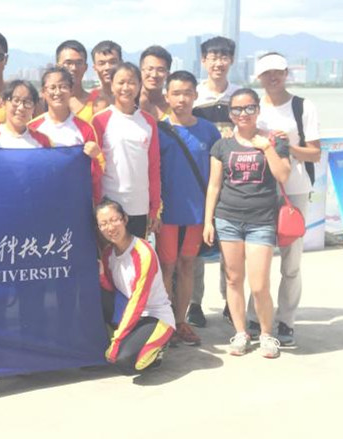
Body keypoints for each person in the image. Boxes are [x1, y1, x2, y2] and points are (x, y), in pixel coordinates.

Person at [203, 88, 291, 358]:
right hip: (228, 218)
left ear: (258, 110)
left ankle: (266, 334)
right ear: (231, 114)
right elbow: (214, 186)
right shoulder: (222, 146)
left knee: (259, 284)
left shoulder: (274, 141)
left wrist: (267, 148)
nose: (244, 114)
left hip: (261, 221)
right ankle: (240, 332)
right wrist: (208, 221)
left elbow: (283, 175)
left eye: (249, 108)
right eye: (237, 109)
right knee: (233, 279)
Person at [248, 52, 321, 346]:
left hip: (295, 191)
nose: (273, 77)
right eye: (267, 73)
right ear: (259, 77)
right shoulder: (253, 107)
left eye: (278, 71)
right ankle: (255, 317)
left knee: (291, 262)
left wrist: (285, 146)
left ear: (286, 73)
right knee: (259, 257)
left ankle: (286, 320)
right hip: (260, 189)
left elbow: (314, 153)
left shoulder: (303, 106)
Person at [156, 71, 221, 346]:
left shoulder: (208, 130)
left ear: (195, 95)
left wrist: (211, 217)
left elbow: (218, 175)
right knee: (166, 267)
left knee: (187, 266)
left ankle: (180, 321)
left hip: (197, 214)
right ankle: (165, 325)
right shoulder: (158, 130)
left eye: (187, 93)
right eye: (176, 93)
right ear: (167, 96)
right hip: (167, 215)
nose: (181, 99)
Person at [188, 36, 241, 329]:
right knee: (195, 246)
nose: (218, 62)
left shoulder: (240, 97)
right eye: (212, 57)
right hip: (200, 180)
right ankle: (194, 303)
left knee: (230, 246)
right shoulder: (194, 97)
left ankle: (230, 302)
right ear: (203, 60)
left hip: (234, 183)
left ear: (231, 60)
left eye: (223, 57)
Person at [97, 199, 174, 375]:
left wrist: (116, 342)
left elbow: (138, 301)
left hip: (154, 315)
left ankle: (160, 345)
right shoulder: (108, 253)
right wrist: (101, 275)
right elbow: (113, 290)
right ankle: (129, 339)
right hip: (130, 312)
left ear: (125, 219)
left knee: (126, 363)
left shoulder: (143, 252)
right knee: (96, 295)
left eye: (114, 220)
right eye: (103, 224)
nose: (110, 227)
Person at [91, 63, 161, 239]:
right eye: (121, 82)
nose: (126, 88)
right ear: (112, 85)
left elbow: (153, 167)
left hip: (139, 206)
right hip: (110, 203)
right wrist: (97, 203)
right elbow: (95, 166)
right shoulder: (100, 120)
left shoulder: (148, 122)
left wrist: (154, 209)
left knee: (136, 254)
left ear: (139, 86)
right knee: (110, 254)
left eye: (131, 83)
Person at [28, 66, 103, 201]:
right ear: (43, 92)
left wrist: (96, 203)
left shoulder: (85, 128)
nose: (57, 92)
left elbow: (95, 172)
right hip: (40, 198)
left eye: (63, 87)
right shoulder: (32, 128)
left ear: (71, 91)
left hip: (73, 200)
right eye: (52, 87)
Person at [0, 80, 51, 148]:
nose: (21, 108)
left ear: (33, 108)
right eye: (16, 100)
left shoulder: (43, 142)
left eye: (28, 102)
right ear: (4, 103)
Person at [56, 40, 94, 122]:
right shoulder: (46, 103)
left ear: (86, 67)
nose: (74, 68)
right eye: (68, 63)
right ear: (58, 67)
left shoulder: (96, 104)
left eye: (79, 63)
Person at [139, 45, 172, 120]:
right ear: (141, 71)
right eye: (149, 69)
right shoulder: (129, 103)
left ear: (168, 74)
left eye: (160, 70)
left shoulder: (173, 107)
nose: (154, 75)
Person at [89, 40, 123, 114]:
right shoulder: (89, 100)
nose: (107, 67)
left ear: (121, 63)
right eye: (102, 63)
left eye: (113, 62)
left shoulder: (132, 96)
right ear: (95, 68)